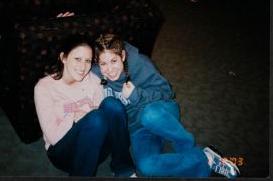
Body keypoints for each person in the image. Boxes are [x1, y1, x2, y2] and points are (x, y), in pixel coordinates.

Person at [91, 33, 240, 178]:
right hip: (138, 130)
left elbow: (166, 92)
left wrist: (136, 95)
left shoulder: (140, 63)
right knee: (147, 166)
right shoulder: (94, 75)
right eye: (103, 63)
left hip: (160, 113)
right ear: (98, 62)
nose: (109, 69)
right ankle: (204, 159)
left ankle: (186, 146)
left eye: (114, 61)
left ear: (122, 56)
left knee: (149, 115)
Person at [34, 34, 135, 177]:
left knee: (112, 104)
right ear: (63, 57)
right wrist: (74, 119)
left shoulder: (93, 80)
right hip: (63, 154)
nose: (83, 67)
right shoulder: (44, 87)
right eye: (77, 59)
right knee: (95, 119)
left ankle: (123, 168)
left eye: (88, 61)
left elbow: (104, 115)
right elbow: (53, 138)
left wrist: (92, 114)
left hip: (96, 148)